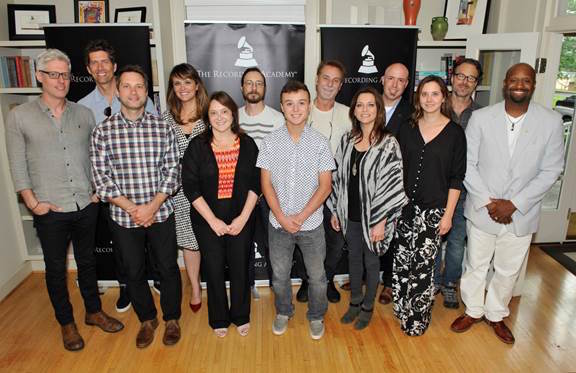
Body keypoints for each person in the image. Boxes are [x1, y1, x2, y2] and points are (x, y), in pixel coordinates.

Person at [5, 49, 123, 351]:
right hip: (49, 208)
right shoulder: (19, 116)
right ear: (39, 77)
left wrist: (98, 189)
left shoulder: (83, 113)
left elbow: (98, 157)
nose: (61, 80)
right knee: (56, 269)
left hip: (86, 204)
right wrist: (32, 202)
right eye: (53, 74)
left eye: (65, 74)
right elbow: (17, 164)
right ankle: (66, 322)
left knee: (88, 262)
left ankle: (94, 312)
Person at [451, 63, 565, 344]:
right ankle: (474, 310)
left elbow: (552, 169)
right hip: (483, 209)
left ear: (533, 85)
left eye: (526, 80)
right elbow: (468, 163)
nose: (520, 85)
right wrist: (491, 203)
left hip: (521, 214)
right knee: (476, 264)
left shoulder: (550, 121)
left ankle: (495, 314)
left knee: (507, 269)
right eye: (514, 79)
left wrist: (514, 203)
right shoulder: (482, 118)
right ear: (505, 83)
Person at [90, 65, 182, 348]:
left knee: (167, 267)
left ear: (147, 91)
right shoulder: (102, 132)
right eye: (127, 86)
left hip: (160, 213)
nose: (133, 92)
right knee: (133, 271)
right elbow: (100, 179)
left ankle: (171, 319)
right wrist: (135, 209)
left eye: (139, 86)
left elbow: (172, 172)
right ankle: (147, 319)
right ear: (117, 91)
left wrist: (151, 207)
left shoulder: (163, 128)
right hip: (123, 217)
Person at [78, 39, 158, 312]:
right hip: (111, 191)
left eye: (105, 61)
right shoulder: (84, 106)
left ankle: (155, 277)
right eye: (94, 63)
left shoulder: (138, 96)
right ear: (88, 69)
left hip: (146, 186)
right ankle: (127, 287)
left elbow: (156, 140)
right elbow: (85, 149)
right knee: (122, 246)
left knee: (153, 242)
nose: (100, 67)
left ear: (114, 66)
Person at [257, 80, 335, 340]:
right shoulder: (269, 142)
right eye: (289, 104)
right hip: (278, 224)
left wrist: (300, 217)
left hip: (310, 225)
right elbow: (265, 184)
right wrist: (280, 216)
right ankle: (283, 311)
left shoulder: (321, 143)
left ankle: (315, 315)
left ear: (309, 106)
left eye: (301, 103)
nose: (296, 109)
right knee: (279, 276)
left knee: (317, 277)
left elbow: (325, 186)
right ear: (281, 107)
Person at [328, 87, 407, 330]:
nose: (365, 109)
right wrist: (335, 209)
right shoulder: (347, 139)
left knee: (371, 263)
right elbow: (339, 177)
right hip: (349, 214)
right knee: (353, 259)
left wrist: (381, 220)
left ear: (378, 109)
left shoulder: (388, 143)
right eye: (360, 105)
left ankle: (367, 307)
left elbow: (393, 183)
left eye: (370, 105)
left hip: (373, 217)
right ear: (354, 110)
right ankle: (354, 303)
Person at [393, 75, 466, 336]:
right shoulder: (407, 128)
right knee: (402, 263)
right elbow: (396, 170)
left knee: (424, 269)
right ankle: (401, 308)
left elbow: (456, 179)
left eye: (435, 94)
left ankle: (417, 319)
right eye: (424, 94)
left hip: (434, 211)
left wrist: (447, 216)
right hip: (404, 209)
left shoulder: (455, 133)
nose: (429, 99)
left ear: (443, 97)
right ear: (418, 97)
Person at [182, 91, 260, 338]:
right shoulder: (198, 146)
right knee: (213, 268)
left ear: (233, 114)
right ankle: (218, 318)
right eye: (213, 113)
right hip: (207, 220)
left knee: (240, 268)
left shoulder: (248, 144)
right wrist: (213, 220)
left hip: (241, 217)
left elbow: (256, 184)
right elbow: (190, 186)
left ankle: (240, 315)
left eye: (224, 111)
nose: (219, 117)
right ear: (207, 116)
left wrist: (243, 218)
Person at [296, 60, 351, 304]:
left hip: (337, 189)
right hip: (304, 188)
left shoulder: (349, 114)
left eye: (335, 80)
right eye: (325, 78)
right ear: (316, 79)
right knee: (304, 238)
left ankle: (326, 280)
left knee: (335, 240)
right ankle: (308, 280)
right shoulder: (302, 110)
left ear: (340, 86)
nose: (329, 84)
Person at [434, 58, 483, 309]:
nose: (464, 82)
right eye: (460, 76)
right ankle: (432, 282)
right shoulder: (436, 106)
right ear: (452, 77)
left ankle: (450, 284)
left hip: (464, 190)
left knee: (455, 241)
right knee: (431, 239)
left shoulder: (482, 115)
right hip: (434, 186)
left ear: (477, 83)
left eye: (471, 78)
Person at [162, 63, 208, 313]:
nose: (182, 88)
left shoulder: (211, 114)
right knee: (189, 242)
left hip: (206, 189)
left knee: (209, 239)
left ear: (197, 85)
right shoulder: (165, 118)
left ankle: (214, 282)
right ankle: (195, 286)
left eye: (187, 82)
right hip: (176, 191)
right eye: (177, 83)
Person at [238, 67, 284, 299]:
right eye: (249, 83)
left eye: (258, 83)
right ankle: (246, 286)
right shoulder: (232, 117)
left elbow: (281, 158)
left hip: (269, 193)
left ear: (265, 88)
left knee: (272, 243)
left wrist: (267, 190)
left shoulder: (277, 119)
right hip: (241, 195)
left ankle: (278, 286)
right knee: (243, 243)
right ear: (242, 87)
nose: (253, 87)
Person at [377, 62, 413, 305]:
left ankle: (389, 283)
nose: (395, 85)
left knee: (392, 236)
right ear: (382, 79)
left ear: (407, 84)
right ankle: (365, 277)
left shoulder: (412, 114)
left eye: (401, 80)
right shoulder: (366, 105)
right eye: (391, 78)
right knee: (364, 235)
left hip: (395, 186)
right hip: (367, 185)